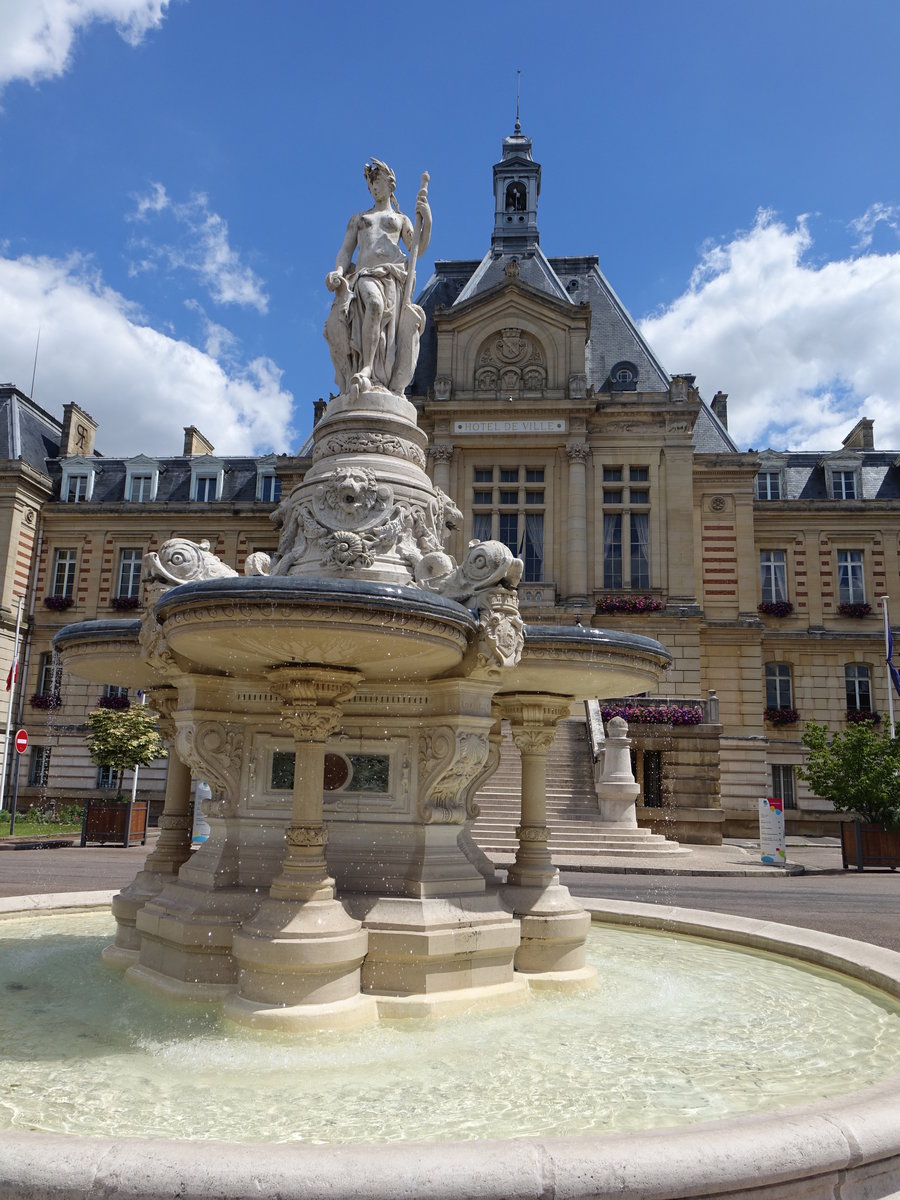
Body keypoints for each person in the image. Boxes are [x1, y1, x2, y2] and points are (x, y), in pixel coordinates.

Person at [324, 159, 431, 397]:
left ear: (390, 185)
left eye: (378, 182)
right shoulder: (360, 218)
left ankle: (376, 370)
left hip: (391, 277)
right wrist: (339, 271)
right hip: (364, 275)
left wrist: (428, 221)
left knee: (387, 333)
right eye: (371, 184)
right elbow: (345, 251)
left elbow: (417, 249)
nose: (374, 188)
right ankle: (367, 366)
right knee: (373, 303)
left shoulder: (401, 219)